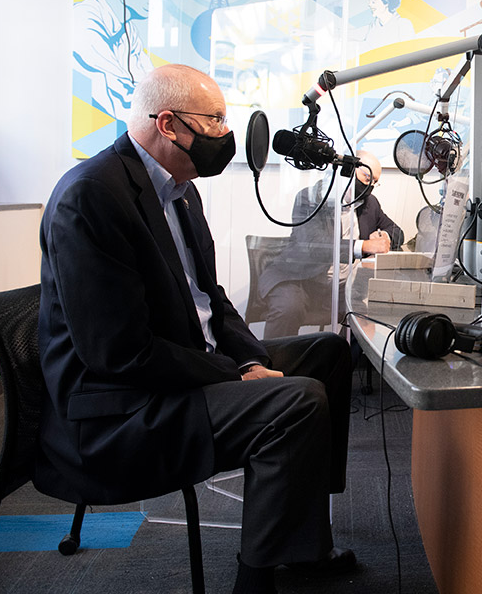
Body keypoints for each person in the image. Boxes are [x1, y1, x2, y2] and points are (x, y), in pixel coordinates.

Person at [37, 64, 355, 594]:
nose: (225, 133)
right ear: (168, 124)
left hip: (179, 368)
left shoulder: (181, 189)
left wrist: (250, 361)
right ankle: (255, 582)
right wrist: (234, 373)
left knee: (326, 355)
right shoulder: (91, 196)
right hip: (120, 408)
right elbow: (119, 353)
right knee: (295, 402)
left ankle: (302, 539)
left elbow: (212, 302)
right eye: (214, 120)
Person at [260, 150, 404, 339]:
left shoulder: (369, 203)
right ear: (347, 169)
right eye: (367, 177)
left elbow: (397, 232)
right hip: (299, 278)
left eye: (374, 182)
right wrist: (364, 246)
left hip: (341, 285)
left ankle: (344, 365)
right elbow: (315, 247)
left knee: (364, 315)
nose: (369, 186)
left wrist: (383, 236)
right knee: (288, 307)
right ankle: (270, 363)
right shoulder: (310, 198)